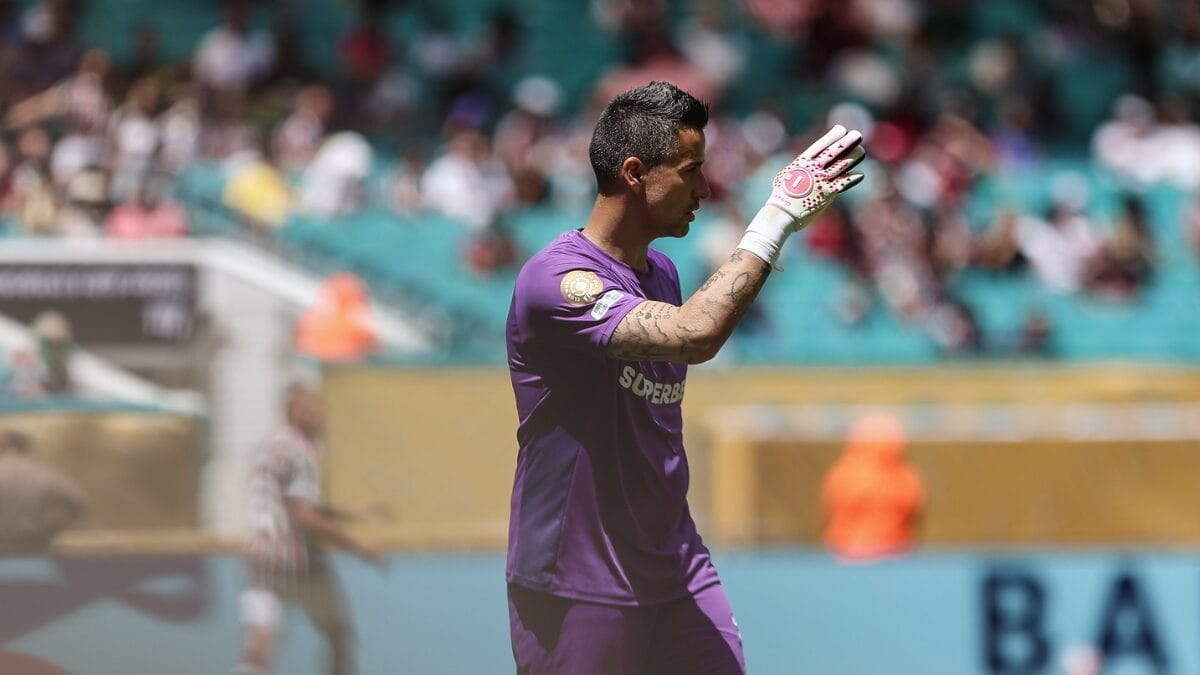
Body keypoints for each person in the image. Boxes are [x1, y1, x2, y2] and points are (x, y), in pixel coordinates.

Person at [504, 81, 864, 673]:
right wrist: (774, 219)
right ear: (635, 172)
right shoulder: (556, 283)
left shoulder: (664, 273)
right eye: (690, 171)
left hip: (676, 568)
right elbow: (695, 334)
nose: (704, 188)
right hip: (577, 579)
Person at [235, 385, 385, 675]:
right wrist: (358, 545)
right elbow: (304, 515)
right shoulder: (300, 450)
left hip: (260, 554)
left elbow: (293, 501)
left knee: (260, 641)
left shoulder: (270, 444)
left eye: (317, 407)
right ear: (289, 410)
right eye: (306, 408)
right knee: (338, 634)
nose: (314, 414)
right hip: (294, 556)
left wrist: (350, 513)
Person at [820, 412, 925, 561]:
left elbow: (831, 510)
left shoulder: (843, 472)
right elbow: (914, 512)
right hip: (895, 554)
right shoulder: (905, 475)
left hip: (850, 554)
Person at [0, 429, 87, 554]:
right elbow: (78, 501)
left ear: (4, 448)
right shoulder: (43, 473)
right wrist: (60, 526)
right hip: (31, 546)